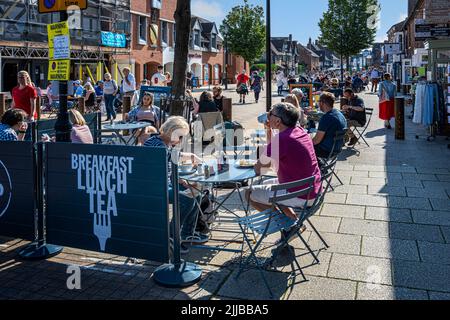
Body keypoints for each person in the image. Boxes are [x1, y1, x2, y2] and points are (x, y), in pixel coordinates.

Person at [248, 103, 322, 222]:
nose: (268, 115)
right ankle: (292, 221)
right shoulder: (299, 131)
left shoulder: (282, 139)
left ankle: (285, 223)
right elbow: (272, 150)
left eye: (270, 113)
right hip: (312, 188)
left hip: (301, 195)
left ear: (278, 121)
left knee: (249, 193)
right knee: (267, 184)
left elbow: (259, 168)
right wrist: (269, 129)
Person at [144, 116, 208, 253]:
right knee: (186, 199)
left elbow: (169, 163)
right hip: (155, 187)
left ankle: (186, 233)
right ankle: (171, 236)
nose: (180, 140)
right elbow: (157, 171)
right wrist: (178, 177)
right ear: (170, 132)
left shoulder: (162, 142)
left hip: (164, 183)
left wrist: (178, 179)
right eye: (179, 136)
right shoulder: (157, 145)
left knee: (195, 193)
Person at [312, 92, 348, 158]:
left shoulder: (326, 118)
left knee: (301, 147)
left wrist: (305, 143)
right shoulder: (339, 114)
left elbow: (316, 141)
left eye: (319, 101)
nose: (318, 104)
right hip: (337, 149)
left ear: (322, 103)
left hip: (326, 151)